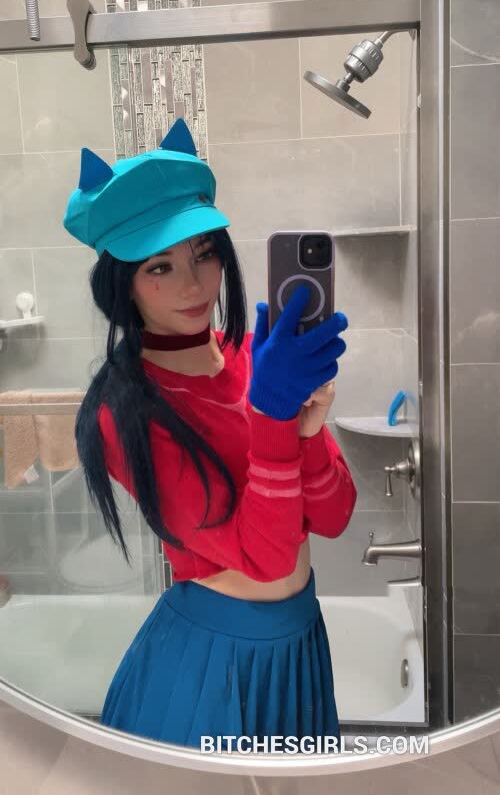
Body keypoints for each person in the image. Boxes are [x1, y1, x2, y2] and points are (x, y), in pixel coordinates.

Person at [62, 117, 357, 752]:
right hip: (212, 664)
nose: (194, 284)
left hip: (300, 641)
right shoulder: (122, 412)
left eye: (204, 254)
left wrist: (306, 429)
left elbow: (334, 517)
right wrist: (272, 416)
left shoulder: (255, 357)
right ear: (122, 285)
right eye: (160, 266)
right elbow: (266, 555)